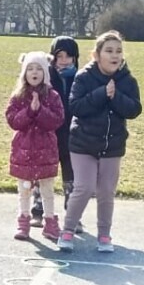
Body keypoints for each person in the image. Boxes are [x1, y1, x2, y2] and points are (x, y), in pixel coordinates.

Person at [59, 30, 142, 254]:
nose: (115, 55)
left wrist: (116, 97)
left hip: (112, 146)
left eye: (118, 51)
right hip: (83, 144)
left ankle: (104, 235)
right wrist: (101, 94)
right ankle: (67, 231)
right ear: (96, 55)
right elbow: (76, 107)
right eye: (109, 51)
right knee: (84, 187)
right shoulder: (84, 77)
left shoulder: (127, 80)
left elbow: (134, 109)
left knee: (106, 191)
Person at [5, 52, 65, 243]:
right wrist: (30, 111)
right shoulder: (18, 96)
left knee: (47, 189)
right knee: (24, 189)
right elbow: (13, 121)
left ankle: (50, 222)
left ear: (45, 72)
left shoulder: (53, 96)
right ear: (24, 73)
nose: (34, 72)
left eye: (39, 68)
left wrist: (40, 110)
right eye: (30, 68)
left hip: (46, 150)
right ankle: (23, 221)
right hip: (23, 150)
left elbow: (57, 120)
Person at [47, 36, 80, 218]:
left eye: (68, 56)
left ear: (75, 57)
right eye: (59, 56)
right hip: (50, 133)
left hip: (72, 134)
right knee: (44, 173)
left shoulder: (80, 78)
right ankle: (39, 209)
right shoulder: (47, 78)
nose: (64, 60)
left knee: (71, 175)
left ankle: (72, 214)